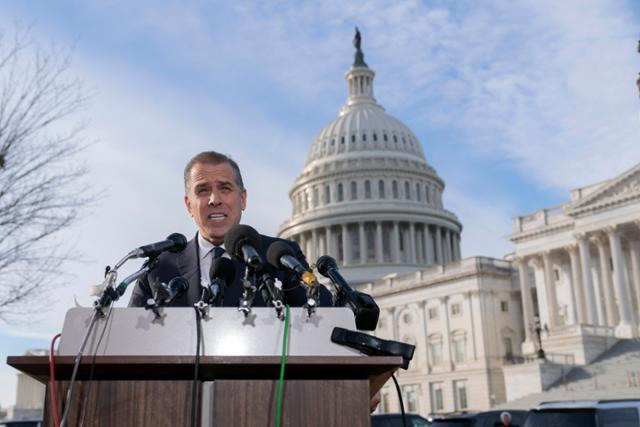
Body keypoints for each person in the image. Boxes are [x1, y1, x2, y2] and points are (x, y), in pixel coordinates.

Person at [128, 150, 331, 308]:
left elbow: (325, 314)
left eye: (225, 189)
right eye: (203, 190)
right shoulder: (158, 269)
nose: (215, 200)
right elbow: (132, 339)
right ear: (189, 205)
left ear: (242, 199)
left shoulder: (280, 258)